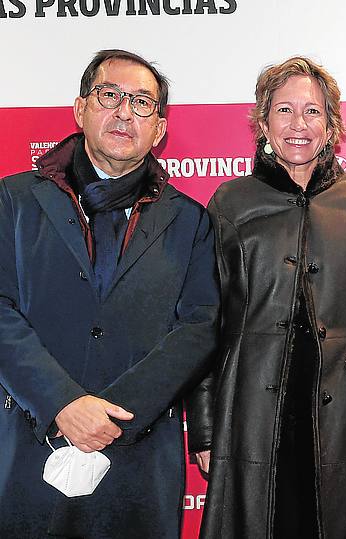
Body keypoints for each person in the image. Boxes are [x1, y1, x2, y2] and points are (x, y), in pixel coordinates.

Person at [0, 49, 220, 538]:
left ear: (159, 129)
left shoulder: (190, 220)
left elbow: (199, 327)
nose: (125, 112)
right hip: (30, 439)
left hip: (138, 452)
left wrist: (114, 414)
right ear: (81, 109)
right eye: (111, 95)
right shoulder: (13, 200)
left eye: (142, 102)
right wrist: (62, 403)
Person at [186, 56, 346, 539]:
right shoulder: (230, 202)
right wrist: (203, 428)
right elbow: (206, 324)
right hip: (249, 409)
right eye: (284, 110)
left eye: (313, 111)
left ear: (331, 126)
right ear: (263, 122)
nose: (299, 124)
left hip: (341, 405)